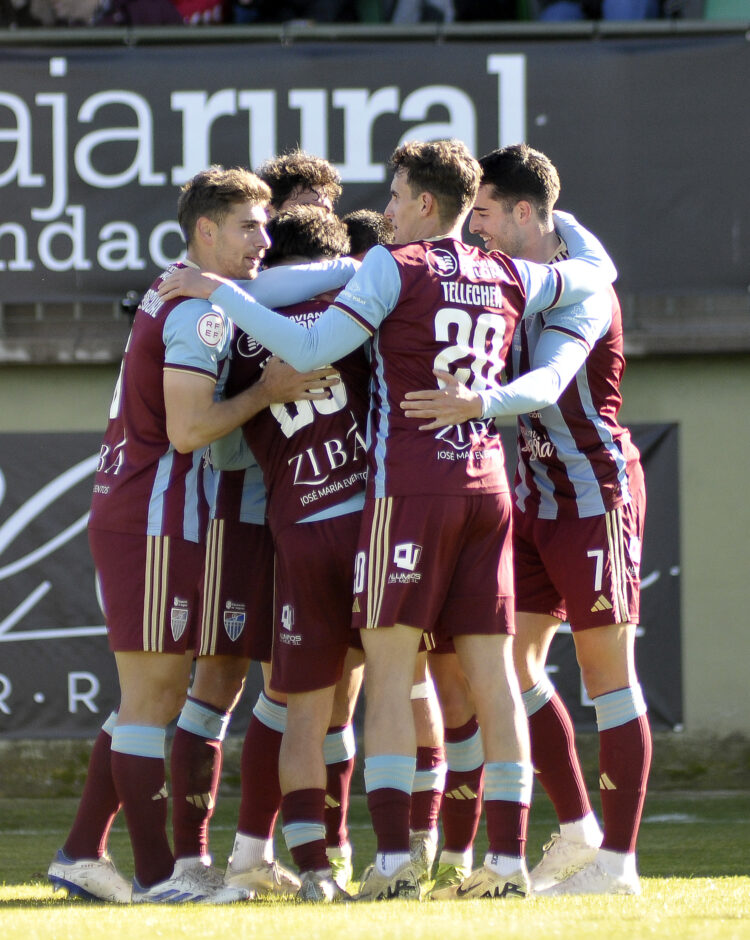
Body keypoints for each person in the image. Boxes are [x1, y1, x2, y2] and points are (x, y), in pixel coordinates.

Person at [157, 137, 618, 901]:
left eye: (398, 198)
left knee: (395, 679)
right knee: (495, 680)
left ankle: (397, 860)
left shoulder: (392, 266)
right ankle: (504, 865)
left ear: (427, 204)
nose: (387, 212)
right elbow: (589, 282)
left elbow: (308, 343)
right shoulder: (507, 270)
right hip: (488, 485)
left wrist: (218, 294)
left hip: (407, 491)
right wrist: (493, 399)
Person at [47, 165, 354, 904]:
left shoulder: (190, 289)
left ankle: (102, 857)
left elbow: (261, 295)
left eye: (268, 225)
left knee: (152, 696)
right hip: (157, 514)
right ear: (206, 231)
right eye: (251, 226)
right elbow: (188, 431)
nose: (265, 240)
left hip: (163, 513)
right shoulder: (203, 313)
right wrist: (268, 391)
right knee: (152, 698)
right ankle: (163, 877)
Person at [400, 143, 651, 896]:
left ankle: (619, 866)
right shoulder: (542, 263)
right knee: (512, 670)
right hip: (536, 497)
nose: (472, 232)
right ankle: (577, 832)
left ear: (519, 212)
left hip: (595, 496)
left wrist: (477, 402)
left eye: (480, 215)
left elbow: (546, 384)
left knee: (609, 676)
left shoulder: (584, 287)